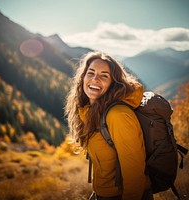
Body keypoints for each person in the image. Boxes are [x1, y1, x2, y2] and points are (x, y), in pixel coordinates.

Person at [65, 51, 153, 200]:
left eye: (104, 76)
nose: (95, 79)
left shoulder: (117, 115)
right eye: (90, 73)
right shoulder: (92, 112)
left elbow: (134, 172)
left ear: (113, 83)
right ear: (83, 78)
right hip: (104, 194)